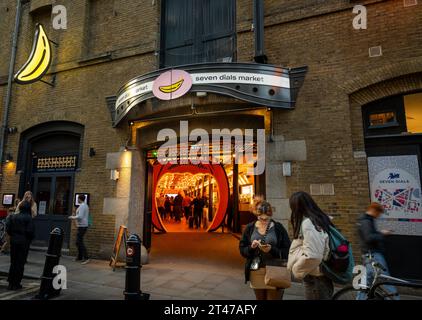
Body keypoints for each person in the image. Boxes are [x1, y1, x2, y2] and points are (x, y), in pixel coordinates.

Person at [239, 200, 291, 300]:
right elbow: (242, 249)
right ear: (256, 214)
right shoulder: (250, 228)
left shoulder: (278, 228)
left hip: (275, 270)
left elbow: (287, 251)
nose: (263, 220)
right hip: (256, 271)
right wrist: (251, 248)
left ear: (270, 215)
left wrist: (272, 249)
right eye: (261, 218)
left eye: (266, 219)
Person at [287, 191, 333, 300]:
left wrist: (296, 269)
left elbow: (313, 256)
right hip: (319, 277)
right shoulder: (319, 219)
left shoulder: (309, 224)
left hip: (315, 279)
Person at [356, 202, 399, 300]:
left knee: (366, 283)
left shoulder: (365, 220)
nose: (378, 216)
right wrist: (382, 233)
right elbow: (368, 238)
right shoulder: (366, 221)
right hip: (373, 256)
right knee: (385, 280)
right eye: (379, 213)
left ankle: (360, 299)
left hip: (369, 255)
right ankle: (395, 299)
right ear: (374, 210)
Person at [5, 197, 35, 290]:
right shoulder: (29, 218)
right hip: (24, 242)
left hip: (14, 241)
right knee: (20, 263)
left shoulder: (13, 216)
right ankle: (17, 283)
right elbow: (30, 232)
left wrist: (13, 236)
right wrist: (29, 239)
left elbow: (8, 229)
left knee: (13, 262)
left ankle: (10, 283)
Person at [69, 194, 90, 264]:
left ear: (79, 199)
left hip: (82, 226)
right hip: (82, 225)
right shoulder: (84, 205)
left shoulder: (83, 206)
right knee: (78, 242)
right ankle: (80, 257)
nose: (77, 200)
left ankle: (86, 258)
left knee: (79, 242)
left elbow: (80, 216)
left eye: (78, 199)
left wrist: (72, 217)